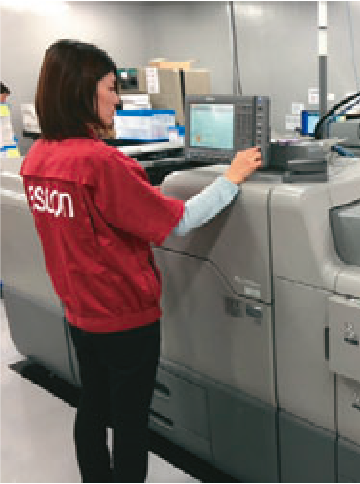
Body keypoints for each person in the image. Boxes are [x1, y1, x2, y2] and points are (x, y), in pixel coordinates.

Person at [20, 39, 262, 483]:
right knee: (130, 420)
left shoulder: (38, 157)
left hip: (80, 311)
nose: (118, 99)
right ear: (81, 91)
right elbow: (180, 221)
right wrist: (232, 177)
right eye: (111, 88)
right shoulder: (100, 164)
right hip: (124, 316)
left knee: (93, 403)